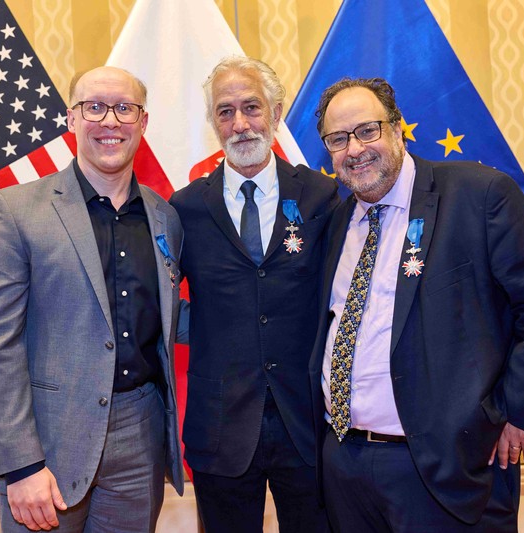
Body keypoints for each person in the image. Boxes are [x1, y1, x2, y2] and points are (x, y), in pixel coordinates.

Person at [308, 77, 524, 532]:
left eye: (367, 130)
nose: (354, 149)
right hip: (346, 468)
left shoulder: (478, 195)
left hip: (447, 469)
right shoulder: (338, 223)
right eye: (338, 139)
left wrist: (519, 412)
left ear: (397, 130)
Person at [0, 66, 186, 533]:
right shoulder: (16, 210)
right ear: (71, 119)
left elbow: (165, 317)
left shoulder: (165, 217)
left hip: (140, 433)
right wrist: (22, 465)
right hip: (48, 438)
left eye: (124, 108)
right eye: (94, 107)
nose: (110, 121)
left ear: (143, 122)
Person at [169, 56, 339, 533]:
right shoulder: (184, 209)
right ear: (213, 123)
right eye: (225, 112)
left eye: (251, 107)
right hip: (220, 426)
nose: (240, 124)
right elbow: (159, 300)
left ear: (277, 112)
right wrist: (205, 330)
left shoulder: (321, 198)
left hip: (308, 423)